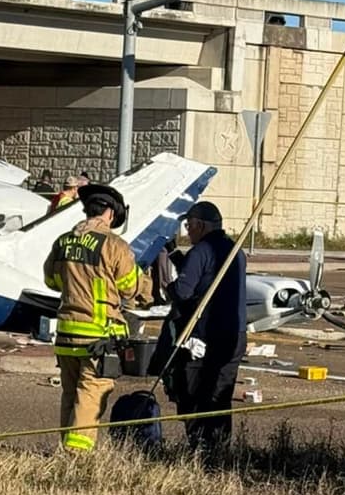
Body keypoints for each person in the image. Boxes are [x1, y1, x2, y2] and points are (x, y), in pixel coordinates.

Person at [43, 184, 150, 452]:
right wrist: (149, 288)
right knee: (91, 395)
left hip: (66, 336)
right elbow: (130, 287)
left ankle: (65, 449)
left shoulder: (63, 241)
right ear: (111, 214)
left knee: (71, 396)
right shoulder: (114, 245)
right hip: (97, 338)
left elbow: (51, 280)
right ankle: (76, 457)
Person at [157, 200, 247, 453]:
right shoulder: (234, 250)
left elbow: (184, 291)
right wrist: (177, 257)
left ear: (199, 224)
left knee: (194, 391)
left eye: (188, 226)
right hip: (235, 335)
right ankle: (220, 448)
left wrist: (168, 289)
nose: (188, 231)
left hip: (205, 337)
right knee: (220, 394)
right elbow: (208, 278)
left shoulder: (201, 251)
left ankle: (199, 447)